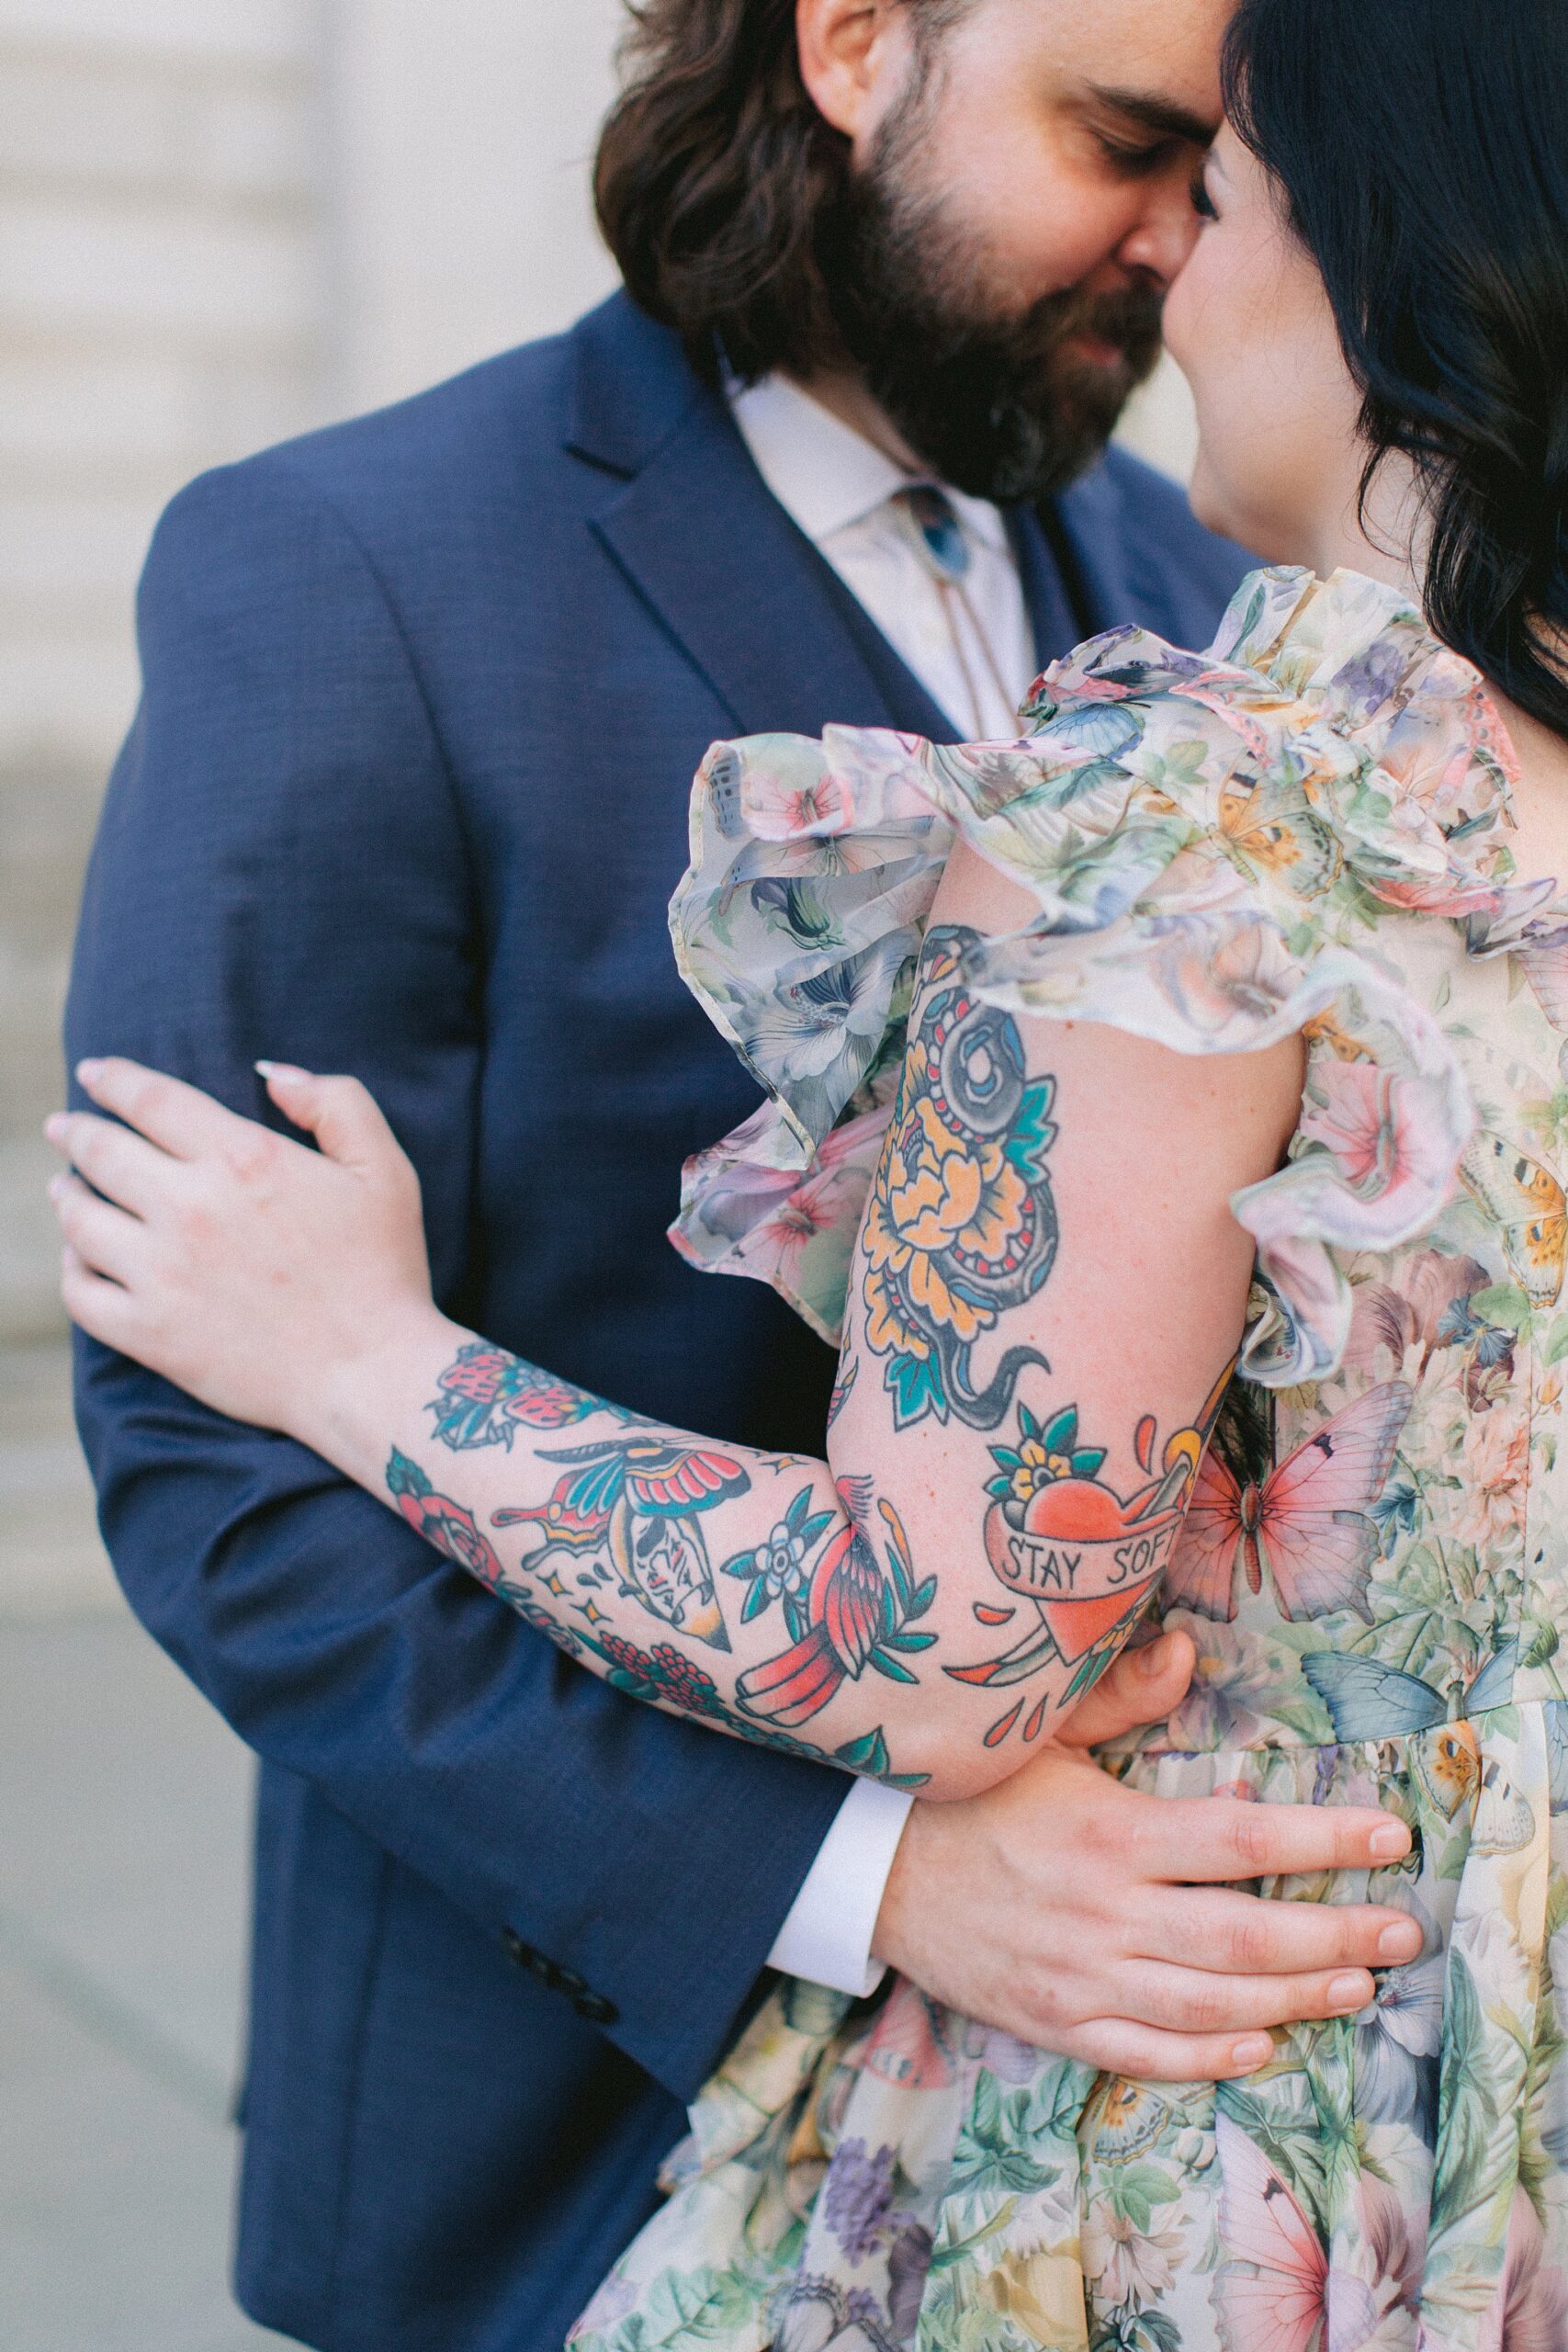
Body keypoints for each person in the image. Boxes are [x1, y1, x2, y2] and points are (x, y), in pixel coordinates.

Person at [51, 0, 1568, 2340]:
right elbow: (205, 1452)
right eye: (1118, 141)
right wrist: (867, 1873)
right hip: (561, 2102)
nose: (1167, 245)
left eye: (1219, 179)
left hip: (1227, 2107)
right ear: (855, 45)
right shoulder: (345, 571)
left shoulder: (1224, 612)